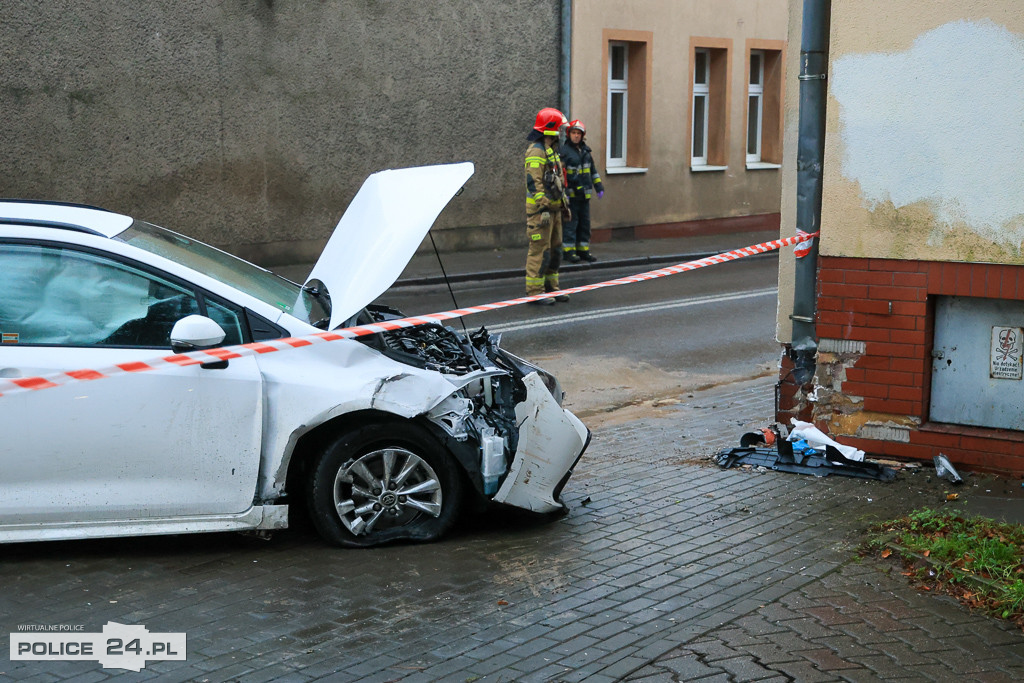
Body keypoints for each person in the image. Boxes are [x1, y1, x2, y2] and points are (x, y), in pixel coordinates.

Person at [523, 107, 571, 305]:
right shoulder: (536, 151)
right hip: (541, 212)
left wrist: (563, 205)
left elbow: (557, 180)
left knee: (556, 251)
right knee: (540, 252)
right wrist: (544, 205)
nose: (560, 132)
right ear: (549, 128)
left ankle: (552, 287)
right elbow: (534, 182)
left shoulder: (551, 150)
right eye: (558, 128)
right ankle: (535, 292)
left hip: (554, 210)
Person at [559, 119, 604, 263]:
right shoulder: (564, 152)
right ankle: (569, 252)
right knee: (571, 225)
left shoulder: (586, 152)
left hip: (584, 197)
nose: (576, 136)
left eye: (578, 133)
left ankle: (583, 251)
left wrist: (599, 187)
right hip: (571, 197)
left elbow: (592, 171)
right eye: (573, 133)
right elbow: (562, 175)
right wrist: (569, 190)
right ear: (569, 134)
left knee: (585, 225)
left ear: (582, 135)